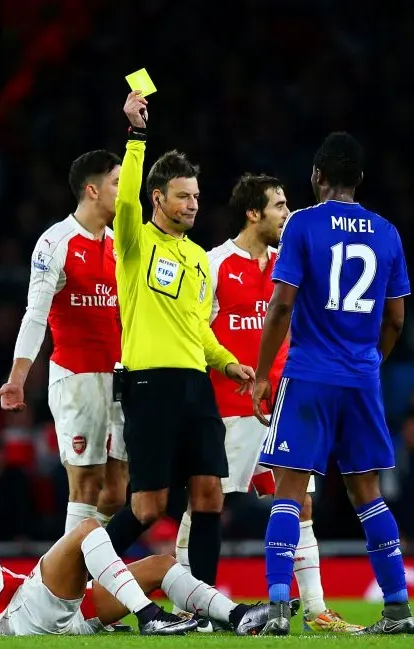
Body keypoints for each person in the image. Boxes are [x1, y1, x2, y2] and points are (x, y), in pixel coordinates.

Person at [173, 173, 360, 632]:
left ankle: (316, 610)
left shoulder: (289, 264)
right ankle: (188, 602)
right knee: (203, 503)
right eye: (278, 205)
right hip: (230, 410)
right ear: (253, 213)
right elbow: (194, 335)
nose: (287, 213)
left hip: (285, 408)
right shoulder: (214, 264)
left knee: (301, 506)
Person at [251, 132, 414, 636]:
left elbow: (281, 304)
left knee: (289, 488)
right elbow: (396, 320)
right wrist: (370, 363)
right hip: (361, 378)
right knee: (368, 492)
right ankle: (398, 608)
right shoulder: (387, 232)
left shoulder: (302, 224)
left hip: (309, 375)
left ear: (317, 176)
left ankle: (280, 608)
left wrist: (261, 374)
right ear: (359, 179)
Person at [103, 91, 255, 592]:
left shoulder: (196, 258)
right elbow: (124, 198)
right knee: (147, 507)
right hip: (149, 384)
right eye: (183, 196)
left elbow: (197, 326)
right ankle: (65, 586)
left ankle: (204, 606)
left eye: (196, 195)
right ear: (158, 199)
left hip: (196, 384)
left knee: (210, 495)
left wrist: (228, 363)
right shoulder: (133, 241)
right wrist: (137, 137)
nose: (193, 204)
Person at [0, 150, 128, 535]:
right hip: (76, 379)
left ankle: (75, 567)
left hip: (119, 378)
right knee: (86, 486)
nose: (124, 191)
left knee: (117, 493)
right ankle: (65, 584)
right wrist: (18, 377)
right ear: (92, 190)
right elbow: (35, 314)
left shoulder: (121, 245)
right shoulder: (56, 243)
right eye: (117, 184)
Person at [0, 505, 273, 636]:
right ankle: (149, 616)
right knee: (86, 530)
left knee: (161, 565)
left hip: (54, 615)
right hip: (21, 621)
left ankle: (237, 616)